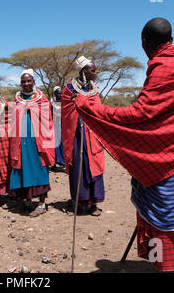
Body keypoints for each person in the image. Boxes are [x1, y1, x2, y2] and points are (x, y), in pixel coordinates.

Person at [71, 17, 174, 272]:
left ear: (145, 42)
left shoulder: (163, 66)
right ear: (171, 40)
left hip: (169, 161)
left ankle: (165, 266)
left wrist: (95, 111)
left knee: (163, 216)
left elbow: (141, 114)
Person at [61, 57, 106, 216]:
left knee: (94, 165)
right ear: (83, 71)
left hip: (92, 134)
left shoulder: (94, 88)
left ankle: (93, 203)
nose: (95, 73)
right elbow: (67, 112)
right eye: (92, 70)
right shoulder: (70, 89)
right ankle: (80, 202)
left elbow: (98, 109)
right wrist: (78, 113)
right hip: (77, 135)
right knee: (79, 166)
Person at [9, 69, 55, 217]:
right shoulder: (17, 98)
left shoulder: (41, 98)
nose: (26, 84)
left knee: (39, 168)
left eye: (29, 81)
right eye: (23, 81)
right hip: (20, 141)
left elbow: (48, 117)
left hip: (37, 141)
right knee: (23, 168)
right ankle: (28, 201)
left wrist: (32, 109)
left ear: (34, 82)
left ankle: (42, 204)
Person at [51, 86, 65, 170]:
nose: (61, 95)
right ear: (55, 94)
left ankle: (63, 162)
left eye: (61, 93)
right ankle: (53, 164)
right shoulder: (51, 103)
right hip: (53, 127)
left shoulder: (65, 103)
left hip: (62, 127)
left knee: (63, 144)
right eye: (59, 93)